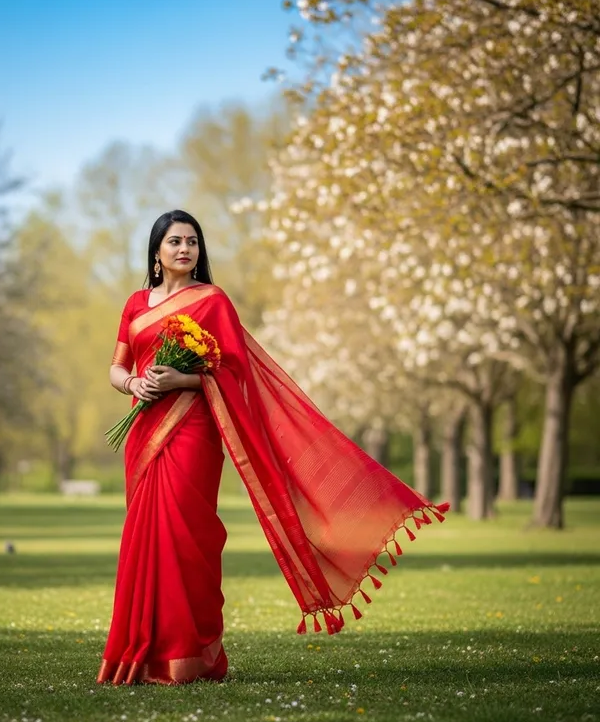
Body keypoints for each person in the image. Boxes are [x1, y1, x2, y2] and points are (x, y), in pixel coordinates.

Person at [97, 210, 448, 686]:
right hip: (144, 433)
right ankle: (142, 651)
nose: (185, 249)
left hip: (194, 430)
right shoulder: (136, 304)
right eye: (175, 241)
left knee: (187, 536)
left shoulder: (213, 301)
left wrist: (183, 377)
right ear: (156, 253)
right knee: (145, 539)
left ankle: (187, 654)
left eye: (193, 242)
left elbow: (235, 372)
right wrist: (136, 384)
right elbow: (116, 370)